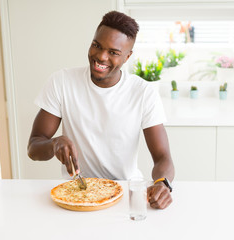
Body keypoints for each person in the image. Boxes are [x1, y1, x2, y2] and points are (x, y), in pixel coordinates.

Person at [27, 11, 174, 209]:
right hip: (76, 194)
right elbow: (34, 148)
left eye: (113, 52)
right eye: (96, 45)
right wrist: (54, 144)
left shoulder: (143, 93)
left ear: (127, 56)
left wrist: (162, 184)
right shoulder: (62, 82)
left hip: (127, 194)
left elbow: (163, 157)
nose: (101, 57)